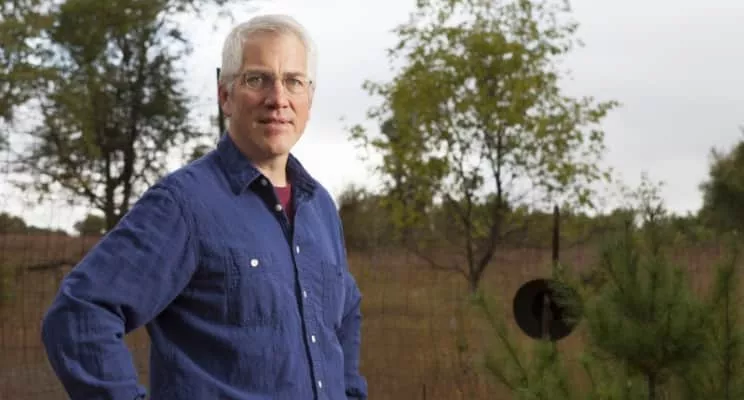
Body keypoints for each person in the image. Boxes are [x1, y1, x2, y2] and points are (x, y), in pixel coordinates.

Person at [40, 14, 368, 400]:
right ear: (225, 94)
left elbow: (344, 314)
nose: (278, 99)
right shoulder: (184, 204)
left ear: (309, 98)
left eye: (293, 81)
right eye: (257, 79)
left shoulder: (320, 208)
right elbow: (80, 313)